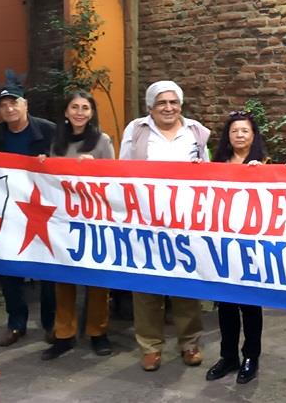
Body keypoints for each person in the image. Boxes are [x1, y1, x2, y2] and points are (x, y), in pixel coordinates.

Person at [119, 80, 208, 371]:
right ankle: (150, 346)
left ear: (180, 105)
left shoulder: (195, 131)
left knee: (186, 282)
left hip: (185, 221)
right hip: (146, 221)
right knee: (146, 285)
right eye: (161, 103)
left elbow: (208, 174)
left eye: (173, 102)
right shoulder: (136, 130)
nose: (168, 108)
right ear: (150, 107)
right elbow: (122, 171)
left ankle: (190, 343)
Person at [0, 85, 57, 347]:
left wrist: (51, 160)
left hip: (44, 210)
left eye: (14, 102)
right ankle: (16, 323)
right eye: (3, 105)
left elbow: (64, 165)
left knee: (48, 269)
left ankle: (51, 323)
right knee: (10, 268)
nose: (9, 108)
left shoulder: (49, 131)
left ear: (25, 104)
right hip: (8, 211)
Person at [39, 91, 115, 360]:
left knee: (97, 279)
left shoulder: (102, 141)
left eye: (85, 107)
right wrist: (42, 166)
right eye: (75, 107)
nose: (80, 112)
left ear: (92, 113)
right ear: (66, 112)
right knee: (64, 279)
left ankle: (98, 333)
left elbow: (115, 180)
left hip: (94, 220)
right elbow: (51, 181)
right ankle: (64, 335)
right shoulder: (57, 142)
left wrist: (96, 167)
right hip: (64, 219)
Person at [205, 111, 265, 385]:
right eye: (234, 131)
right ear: (227, 136)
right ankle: (228, 356)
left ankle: (251, 356)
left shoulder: (265, 164)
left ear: (253, 135)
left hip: (252, 245)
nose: (239, 135)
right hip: (222, 243)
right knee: (226, 303)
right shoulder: (217, 164)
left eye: (245, 131)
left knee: (250, 305)